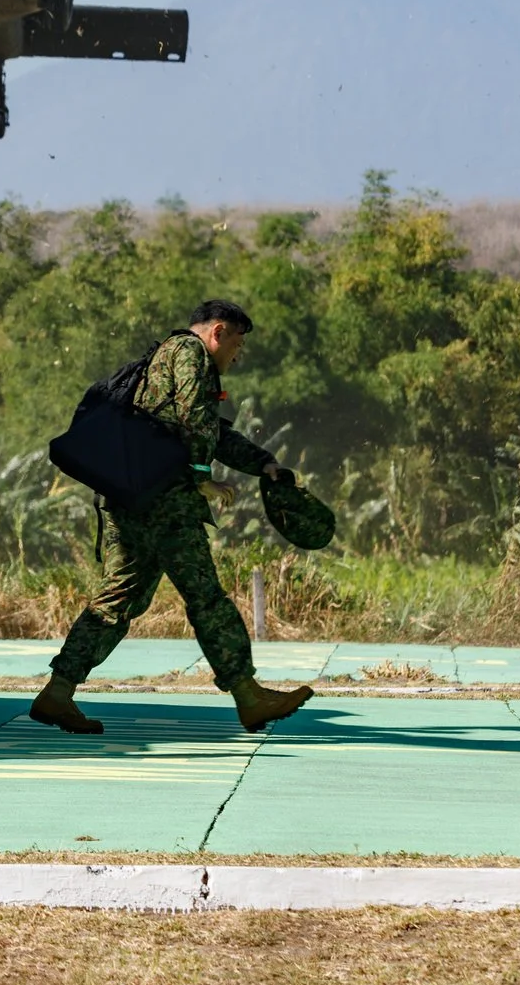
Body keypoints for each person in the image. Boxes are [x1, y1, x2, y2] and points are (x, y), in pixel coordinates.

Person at [30, 299, 315, 736]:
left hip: (131, 500)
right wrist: (203, 479)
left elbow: (212, 430)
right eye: (238, 343)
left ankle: (58, 691)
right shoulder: (191, 354)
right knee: (205, 595)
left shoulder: (168, 356)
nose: (238, 354)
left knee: (119, 598)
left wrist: (264, 464)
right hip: (166, 503)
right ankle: (247, 694)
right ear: (218, 332)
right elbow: (195, 420)